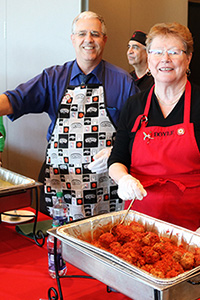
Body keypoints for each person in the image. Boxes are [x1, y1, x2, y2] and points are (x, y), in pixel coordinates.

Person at [0, 11, 138, 220]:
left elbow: (140, 132)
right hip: (60, 183)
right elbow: (14, 100)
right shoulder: (53, 77)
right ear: (72, 39)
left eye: (95, 34)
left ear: (105, 39)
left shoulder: (123, 82)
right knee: (56, 242)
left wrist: (115, 150)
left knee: (102, 240)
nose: (88, 40)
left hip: (104, 186)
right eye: (82, 34)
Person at [108, 22, 200, 238]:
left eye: (174, 52)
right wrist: (123, 179)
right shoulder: (134, 106)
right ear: (148, 58)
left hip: (196, 226)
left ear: (188, 58)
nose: (165, 59)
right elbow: (117, 159)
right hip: (139, 223)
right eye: (157, 52)